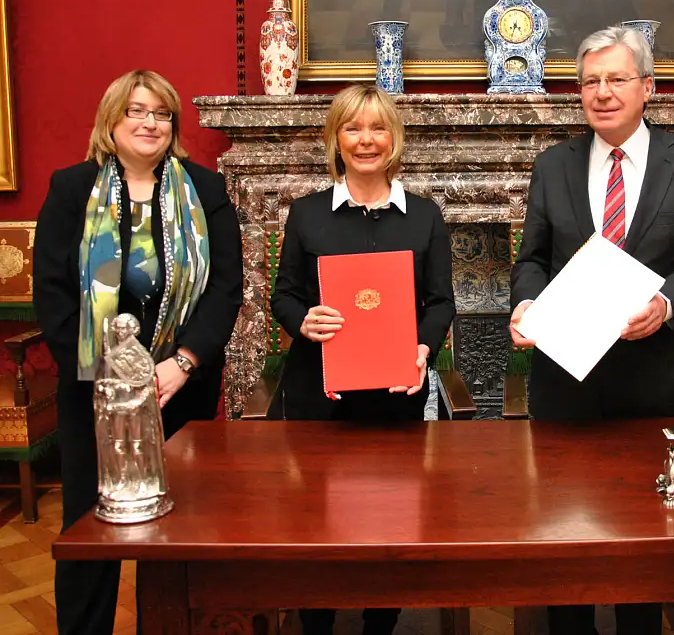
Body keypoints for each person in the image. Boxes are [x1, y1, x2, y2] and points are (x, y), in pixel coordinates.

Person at [509, 27, 674, 635]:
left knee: (641, 554)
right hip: (565, 388)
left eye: (616, 79)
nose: (601, 93)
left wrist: (664, 302)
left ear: (647, 87)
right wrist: (526, 303)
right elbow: (531, 259)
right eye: (589, 82)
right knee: (566, 551)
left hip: (648, 390)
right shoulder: (553, 165)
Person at [33, 70, 243, 635]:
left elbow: (227, 286)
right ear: (112, 120)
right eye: (137, 111)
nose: (150, 123)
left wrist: (183, 362)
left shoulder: (207, 189)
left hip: (183, 385)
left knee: (184, 524)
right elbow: (52, 293)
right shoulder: (72, 189)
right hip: (95, 394)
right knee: (88, 523)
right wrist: (112, 378)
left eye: (162, 113)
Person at [268, 83, 455, 635]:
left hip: (394, 396)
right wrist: (301, 320)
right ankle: (316, 623)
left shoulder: (423, 216)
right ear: (336, 138)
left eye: (377, 128)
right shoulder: (305, 214)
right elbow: (283, 293)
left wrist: (422, 347)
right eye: (353, 127)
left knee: (387, 525)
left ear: (393, 138)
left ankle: (380, 622)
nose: (366, 140)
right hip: (319, 395)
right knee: (316, 527)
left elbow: (441, 302)